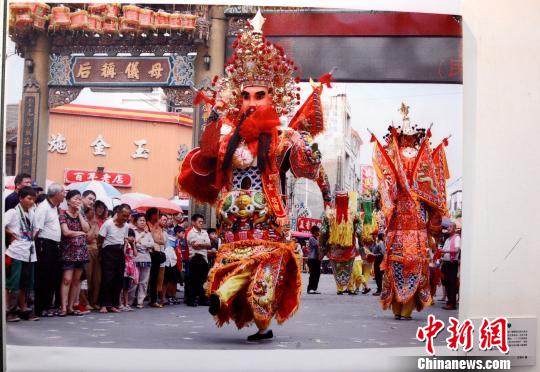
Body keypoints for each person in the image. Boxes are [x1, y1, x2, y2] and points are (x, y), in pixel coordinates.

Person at [178, 11, 333, 341]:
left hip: (267, 217)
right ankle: (242, 306)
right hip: (234, 218)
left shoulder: (281, 137)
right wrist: (214, 120)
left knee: (263, 267)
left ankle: (241, 305)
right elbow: (204, 159)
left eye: (258, 95)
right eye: (245, 95)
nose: (251, 102)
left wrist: (305, 147)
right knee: (241, 264)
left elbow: (307, 167)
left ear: (272, 97)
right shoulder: (227, 136)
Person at [372, 103, 450, 320]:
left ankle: (399, 307)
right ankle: (404, 307)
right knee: (410, 262)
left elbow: (388, 187)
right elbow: (432, 193)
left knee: (399, 261)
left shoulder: (394, 156)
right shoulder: (420, 158)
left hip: (401, 222)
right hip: (414, 222)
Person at [5, 186, 39, 321]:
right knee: (13, 283)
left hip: (29, 252)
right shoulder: (12, 212)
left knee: (26, 283)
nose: (31, 202)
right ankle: (9, 310)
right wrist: (9, 233)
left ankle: (24, 309)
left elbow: (35, 229)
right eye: (29, 198)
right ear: (20, 198)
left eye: (34, 199)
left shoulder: (32, 212)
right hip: (15, 252)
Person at [320, 192, 363, 295]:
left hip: (335, 247)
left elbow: (323, 231)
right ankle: (350, 288)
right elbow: (359, 231)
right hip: (349, 247)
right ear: (347, 200)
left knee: (337, 266)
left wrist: (322, 245)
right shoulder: (353, 213)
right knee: (349, 267)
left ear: (336, 200)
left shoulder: (329, 214)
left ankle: (339, 289)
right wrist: (361, 243)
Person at [33, 183, 64, 317]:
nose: (64, 195)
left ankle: (47, 306)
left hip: (54, 246)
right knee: (43, 277)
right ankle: (40, 308)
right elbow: (36, 230)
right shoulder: (43, 207)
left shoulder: (54, 207)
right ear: (56, 194)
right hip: (44, 245)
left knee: (52, 277)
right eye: (63, 192)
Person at [58, 190, 90, 316]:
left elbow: (86, 229)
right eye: (75, 199)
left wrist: (80, 214)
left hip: (81, 252)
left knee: (76, 280)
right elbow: (66, 232)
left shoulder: (81, 214)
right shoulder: (63, 215)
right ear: (68, 200)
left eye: (79, 199)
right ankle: (63, 307)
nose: (78, 201)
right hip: (68, 251)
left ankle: (71, 307)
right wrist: (80, 233)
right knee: (67, 279)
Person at [98, 204, 131, 313]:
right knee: (107, 279)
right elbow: (100, 239)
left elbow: (124, 238)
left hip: (120, 251)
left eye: (127, 216)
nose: (125, 218)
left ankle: (113, 304)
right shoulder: (108, 224)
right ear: (118, 213)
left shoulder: (126, 226)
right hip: (108, 251)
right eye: (124, 215)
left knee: (118, 279)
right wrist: (100, 254)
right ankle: (103, 304)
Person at [184, 214, 211, 307]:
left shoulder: (204, 232)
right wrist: (204, 244)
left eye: (202, 222)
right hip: (195, 257)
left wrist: (202, 244)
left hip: (204, 258)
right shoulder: (191, 233)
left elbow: (209, 244)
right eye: (199, 221)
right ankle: (190, 300)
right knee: (193, 280)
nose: (201, 223)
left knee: (203, 280)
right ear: (193, 222)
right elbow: (195, 245)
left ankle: (202, 299)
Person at [129, 214, 154, 308]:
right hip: (135, 258)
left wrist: (140, 244)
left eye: (144, 220)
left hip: (147, 258)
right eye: (140, 220)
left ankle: (140, 301)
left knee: (144, 281)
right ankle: (130, 301)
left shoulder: (148, 233)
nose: (142, 222)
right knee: (134, 280)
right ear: (136, 222)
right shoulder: (132, 232)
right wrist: (143, 244)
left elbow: (151, 244)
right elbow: (133, 243)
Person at [146, 208, 166, 308]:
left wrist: (155, 239)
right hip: (148, 253)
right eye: (156, 214)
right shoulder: (147, 224)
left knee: (155, 277)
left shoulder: (159, 227)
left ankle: (153, 299)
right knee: (146, 277)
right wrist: (154, 230)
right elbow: (149, 238)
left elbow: (162, 241)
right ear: (151, 215)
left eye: (159, 214)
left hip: (157, 253)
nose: (158, 216)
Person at [440, 223, 461, 310]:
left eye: (450, 226)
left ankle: (452, 303)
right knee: (446, 283)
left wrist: (444, 252)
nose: (448, 228)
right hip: (446, 263)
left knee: (452, 283)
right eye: (448, 227)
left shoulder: (457, 237)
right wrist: (441, 256)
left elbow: (456, 250)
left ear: (455, 228)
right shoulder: (448, 239)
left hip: (452, 263)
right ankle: (449, 302)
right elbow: (444, 251)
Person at [121, 228, 137, 311]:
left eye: (133, 236)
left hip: (130, 267)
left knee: (127, 287)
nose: (132, 238)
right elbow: (123, 254)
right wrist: (125, 244)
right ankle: (120, 303)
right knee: (122, 286)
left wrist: (133, 244)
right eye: (130, 236)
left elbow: (135, 254)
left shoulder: (132, 244)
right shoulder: (125, 244)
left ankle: (126, 303)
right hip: (125, 267)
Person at [307, 226, 321, 294]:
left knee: (317, 274)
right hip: (312, 259)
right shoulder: (311, 238)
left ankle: (314, 288)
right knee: (313, 274)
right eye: (317, 231)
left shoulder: (317, 238)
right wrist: (320, 238)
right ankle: (310, 289)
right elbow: (318, 244)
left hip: (317, 259)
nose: (318, 232)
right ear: (314, 231)